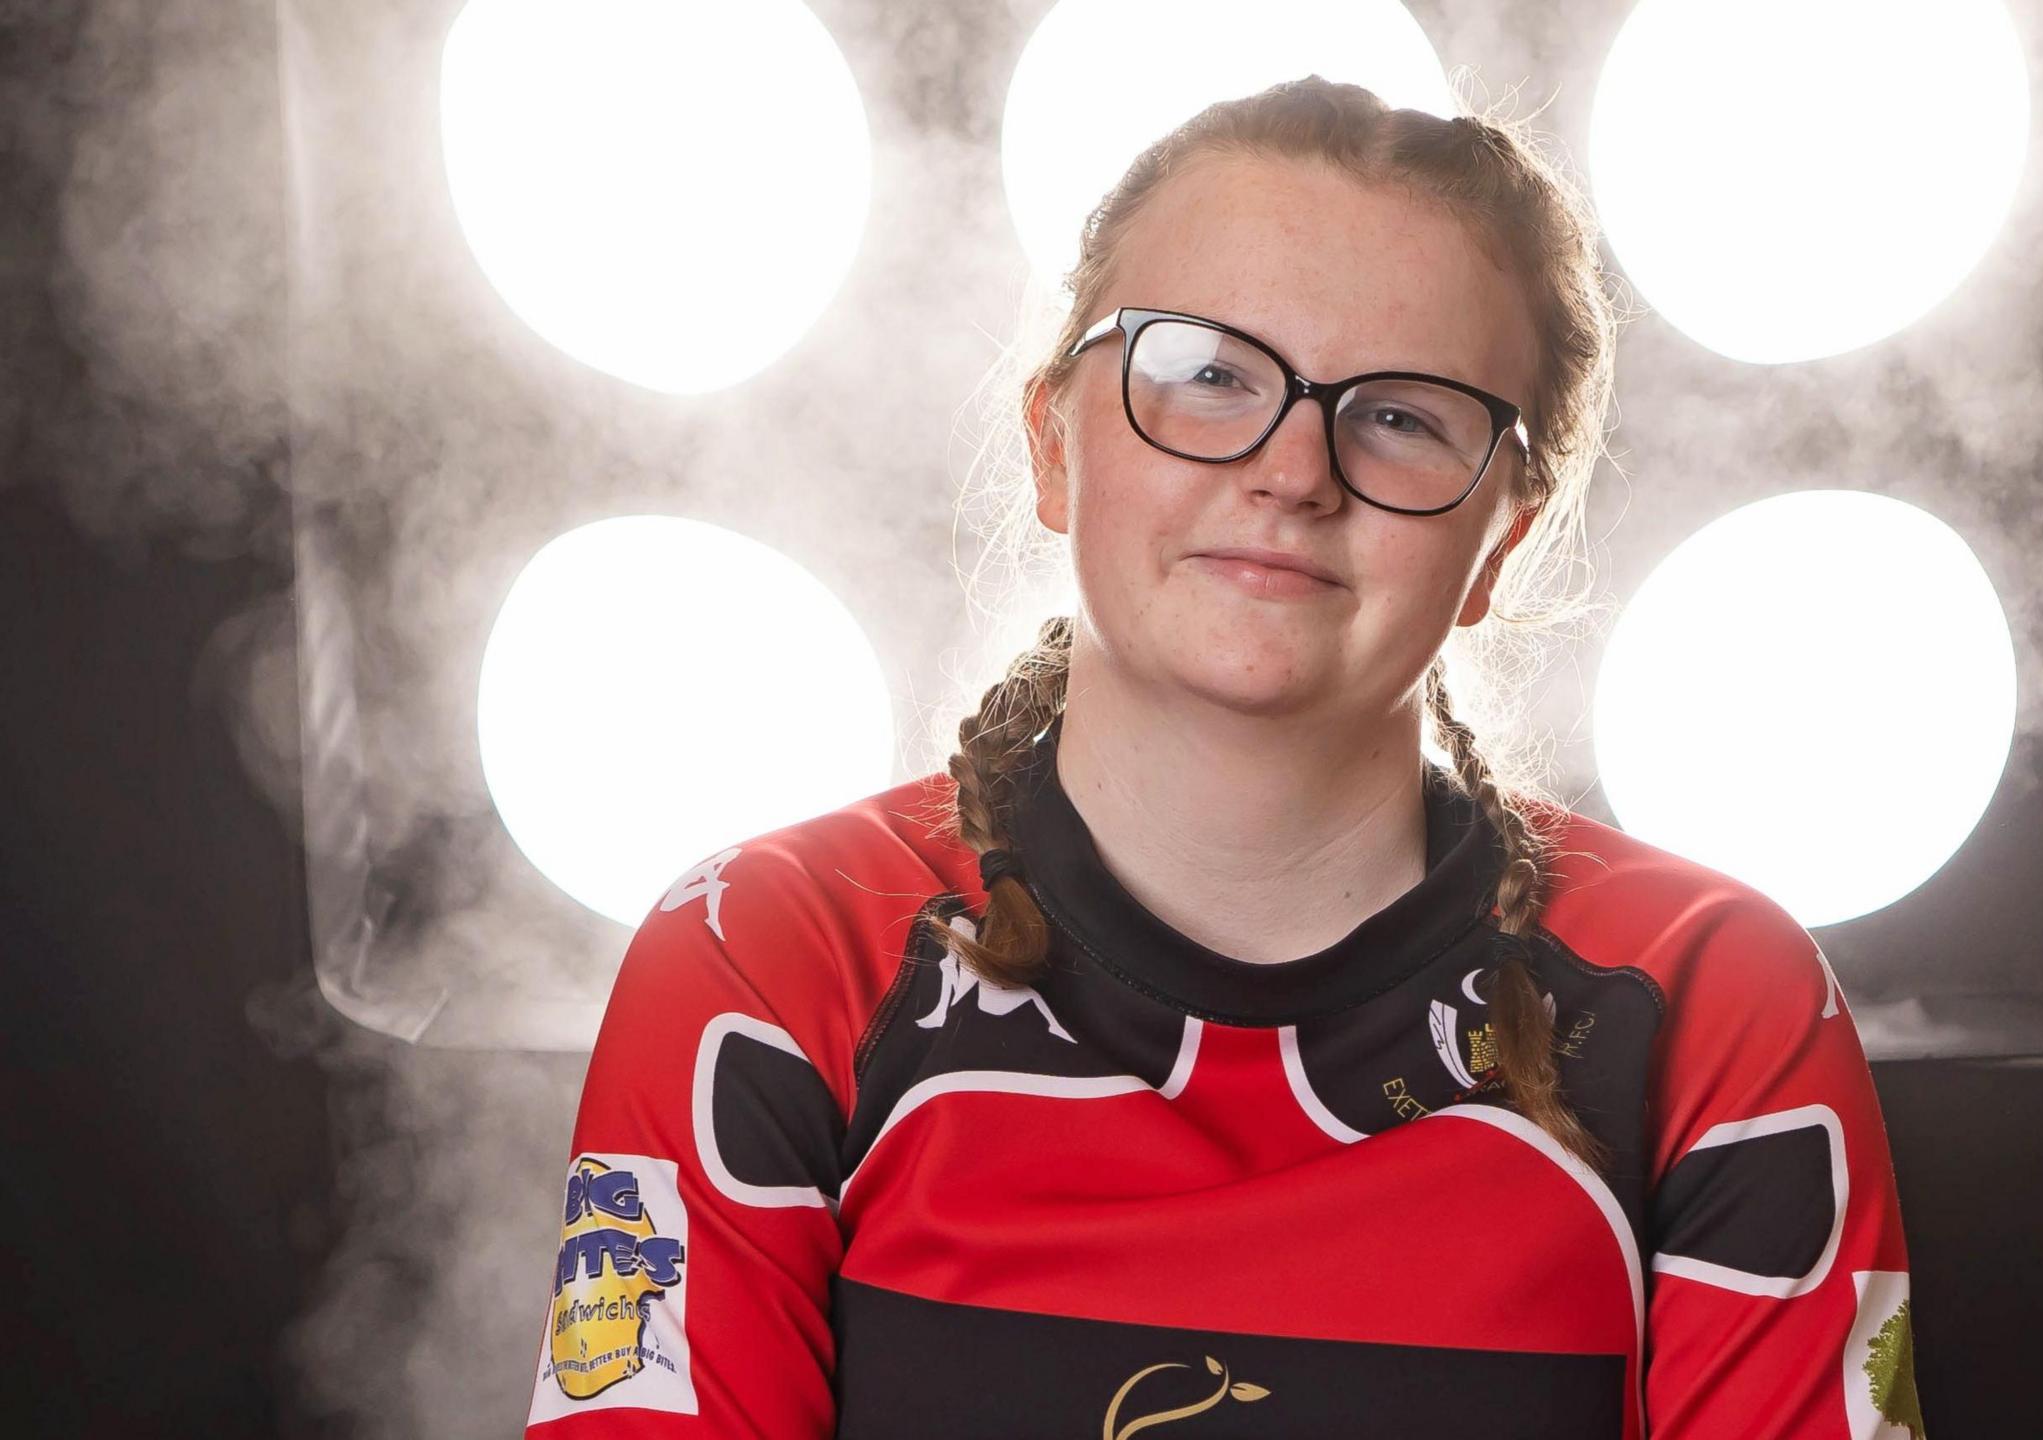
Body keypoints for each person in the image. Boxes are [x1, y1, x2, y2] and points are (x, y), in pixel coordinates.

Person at [524, 76, 1922, 1440]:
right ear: (1055, 445)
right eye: (1206, 374)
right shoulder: (770, 958)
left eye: (1400, 415)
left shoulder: (1713, 999)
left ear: (1503, 536)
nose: (1293, 472)